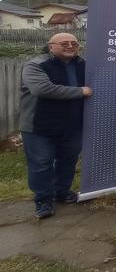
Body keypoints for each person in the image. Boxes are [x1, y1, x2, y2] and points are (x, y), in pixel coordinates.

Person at [20, 33, 92, 218]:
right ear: (51, 46)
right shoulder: (36, 65)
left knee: (68, 160)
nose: (70, 46)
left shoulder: (83, 64)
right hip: (39, 127)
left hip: (72, 125)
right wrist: (81, 91)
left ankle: (61, 192)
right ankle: (43, 200)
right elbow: (42, 89)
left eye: (74, 43)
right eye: (64, 43)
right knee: (41, 164)